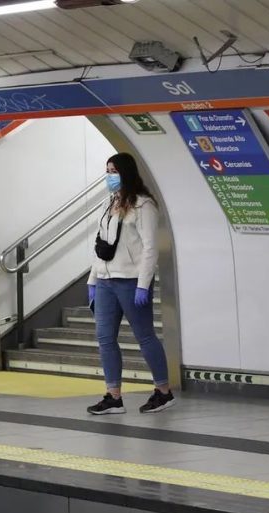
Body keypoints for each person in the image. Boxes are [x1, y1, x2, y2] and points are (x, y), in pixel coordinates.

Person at [86, 152, 174, 415]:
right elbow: (101, 245)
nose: (109, 176)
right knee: (105, 339)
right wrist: (93, 279)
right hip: (105, 280)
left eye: (113, 171)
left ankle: (164, 391)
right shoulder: (109, 202)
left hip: (131, 281)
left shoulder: (143, 205)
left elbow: (150, 248)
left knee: (145, 336)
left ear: (126, 172)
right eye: (107, 170)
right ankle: (113, 396)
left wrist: (143, 284)